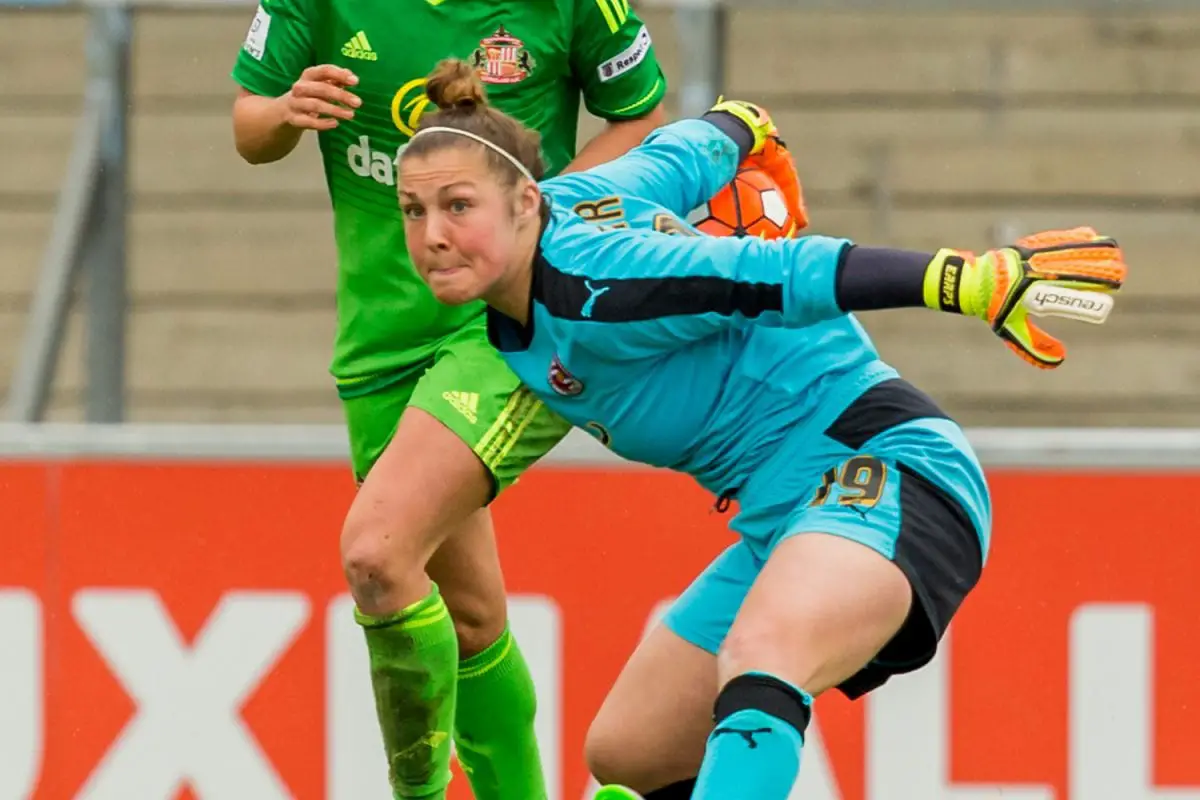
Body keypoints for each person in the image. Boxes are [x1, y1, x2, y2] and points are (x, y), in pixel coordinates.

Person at [396, 59, 1128, 799]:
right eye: (413, 211)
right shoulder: (577, 205)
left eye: (459, 206)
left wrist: (958, 279)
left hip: (887, 467)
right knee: (631, 750)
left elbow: (775, 272)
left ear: (525, 200)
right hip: (786, 513)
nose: (433, 235)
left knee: (762, 652)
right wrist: (744, 124)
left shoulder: (601, 282)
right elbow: (690, 150)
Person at [229, 1, 669, 796]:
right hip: (378, 343)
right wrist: (287, 113)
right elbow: (248, 128)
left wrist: (534, 207)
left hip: (504, 319)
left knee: (378, 550)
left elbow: (640, 116)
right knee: (468, 619)